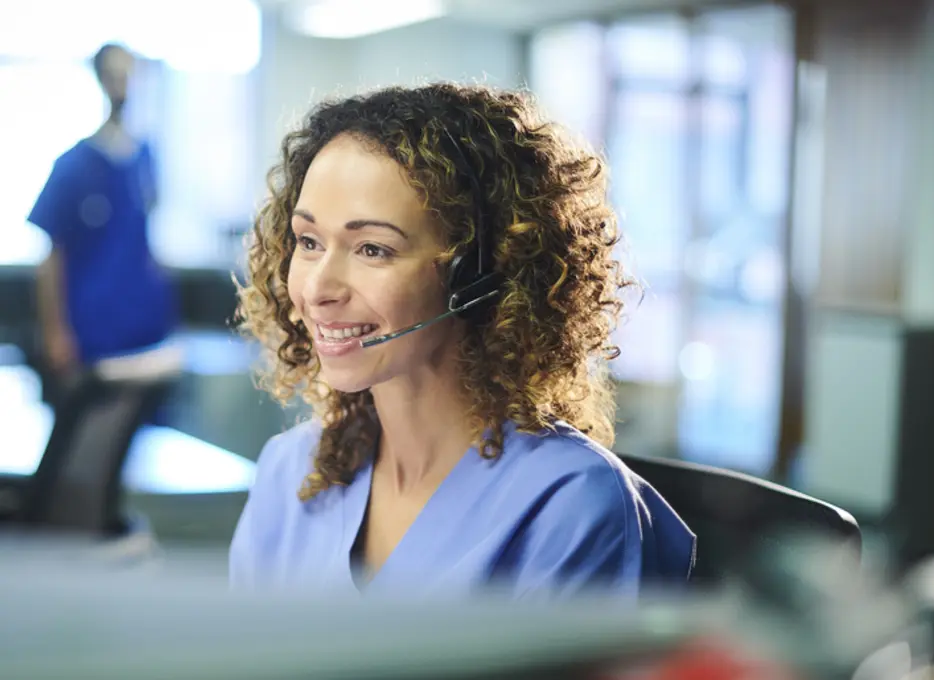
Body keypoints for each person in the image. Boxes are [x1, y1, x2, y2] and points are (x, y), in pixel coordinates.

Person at [230, 83, 695, 598]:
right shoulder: (287, 471)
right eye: (309, 242)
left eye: (373, 249)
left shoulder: (572, 505)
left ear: (482, 275)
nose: (317, 289)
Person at [29, 43, 177, 380]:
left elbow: (145, 240)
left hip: (144, 323)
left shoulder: (145, 159)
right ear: (100, 80)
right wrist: (56, 331)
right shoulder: (72, 167)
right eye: (114, 75)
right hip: (91, 329)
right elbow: (51, 258)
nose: (122, 85)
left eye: (128, 75)